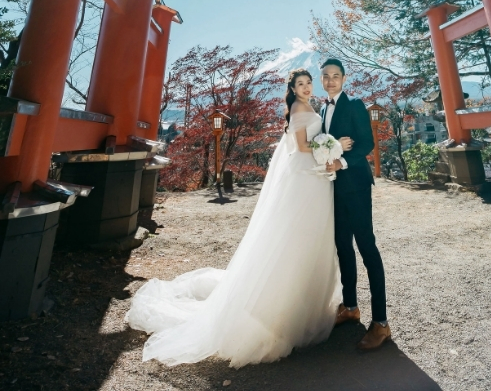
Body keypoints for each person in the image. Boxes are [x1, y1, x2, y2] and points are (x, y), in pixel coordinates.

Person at [125, 69, 341, 367]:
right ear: (292, 88)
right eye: (300, 84)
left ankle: (306, 304)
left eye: (308, 83)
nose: (305, 88)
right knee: (297, 236)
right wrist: (330, 146)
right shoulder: (299, 108)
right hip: (305, 174)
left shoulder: (310, 106)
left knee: (311, 236)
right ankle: (282, 312)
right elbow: (303, 146)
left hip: (311, 176)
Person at [318, 58, 391, 350]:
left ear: (344, 79)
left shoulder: (356, 105)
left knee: (366, 248)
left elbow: (366, 144)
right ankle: (350, 306)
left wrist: (342, 161)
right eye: (326, 76)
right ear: (321, 79)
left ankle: (381, 323)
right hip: (333, 190)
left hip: (357, 187)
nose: (331, 80)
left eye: (336, 76)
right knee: (342, 247)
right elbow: (324, 144)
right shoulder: (322, 109)